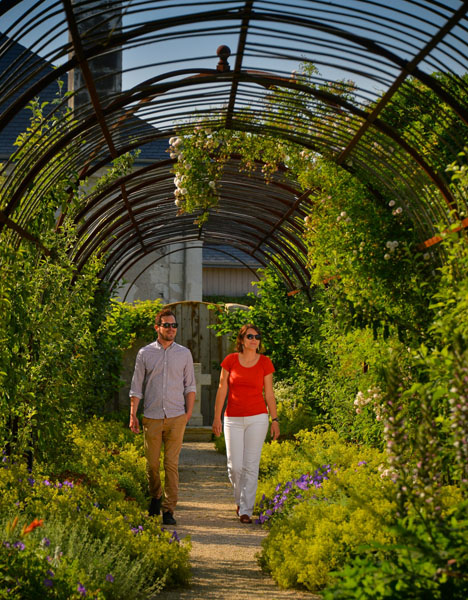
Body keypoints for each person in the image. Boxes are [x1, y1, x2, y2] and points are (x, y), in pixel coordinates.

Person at [129, 308, 196, 526]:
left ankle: (169, 510)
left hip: (177, 416)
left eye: (174, 325)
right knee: (151, 464)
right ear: (157, 327)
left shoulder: (184, 353)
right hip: (152, 416)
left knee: (171, 464)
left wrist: (187, 414)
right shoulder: (145, 353)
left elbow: (190, 386)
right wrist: (133, 415)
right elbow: (136, 386)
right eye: (166, 325)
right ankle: (155, 496)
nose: (171, 329)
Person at [212, 323, 280, 523]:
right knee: (235, 466)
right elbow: (222, 389)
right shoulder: (230, 361)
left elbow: (269, 394)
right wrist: (216, 417)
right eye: (250, 336)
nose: (254, 340)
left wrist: (274, 420)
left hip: (257, 418)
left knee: (251, 465)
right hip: (232, 418)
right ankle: (240, 500)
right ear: (241, 340)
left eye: (257, 337)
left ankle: (246, 510)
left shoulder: (265, 362)